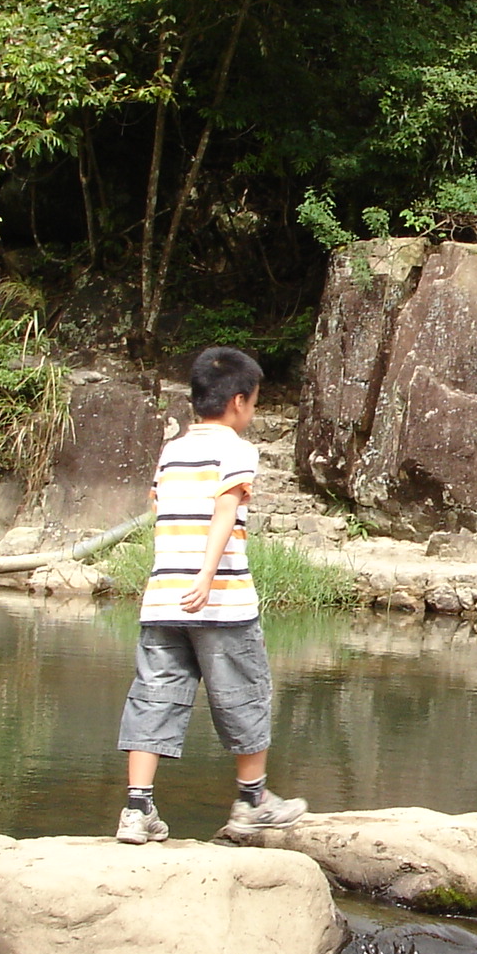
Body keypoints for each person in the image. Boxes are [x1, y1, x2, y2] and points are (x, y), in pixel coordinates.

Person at [115, 345, 307, 843]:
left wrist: (179, 577)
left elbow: (159, 509)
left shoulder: (171, 450)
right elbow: (225, 508)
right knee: (246, 694)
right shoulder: (238, 451)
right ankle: (251, 802)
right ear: (239, 402)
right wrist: (205, 575)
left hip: (163, 600)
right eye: (256, 402)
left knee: (154, 696)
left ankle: (137, 811)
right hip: (221, 601)